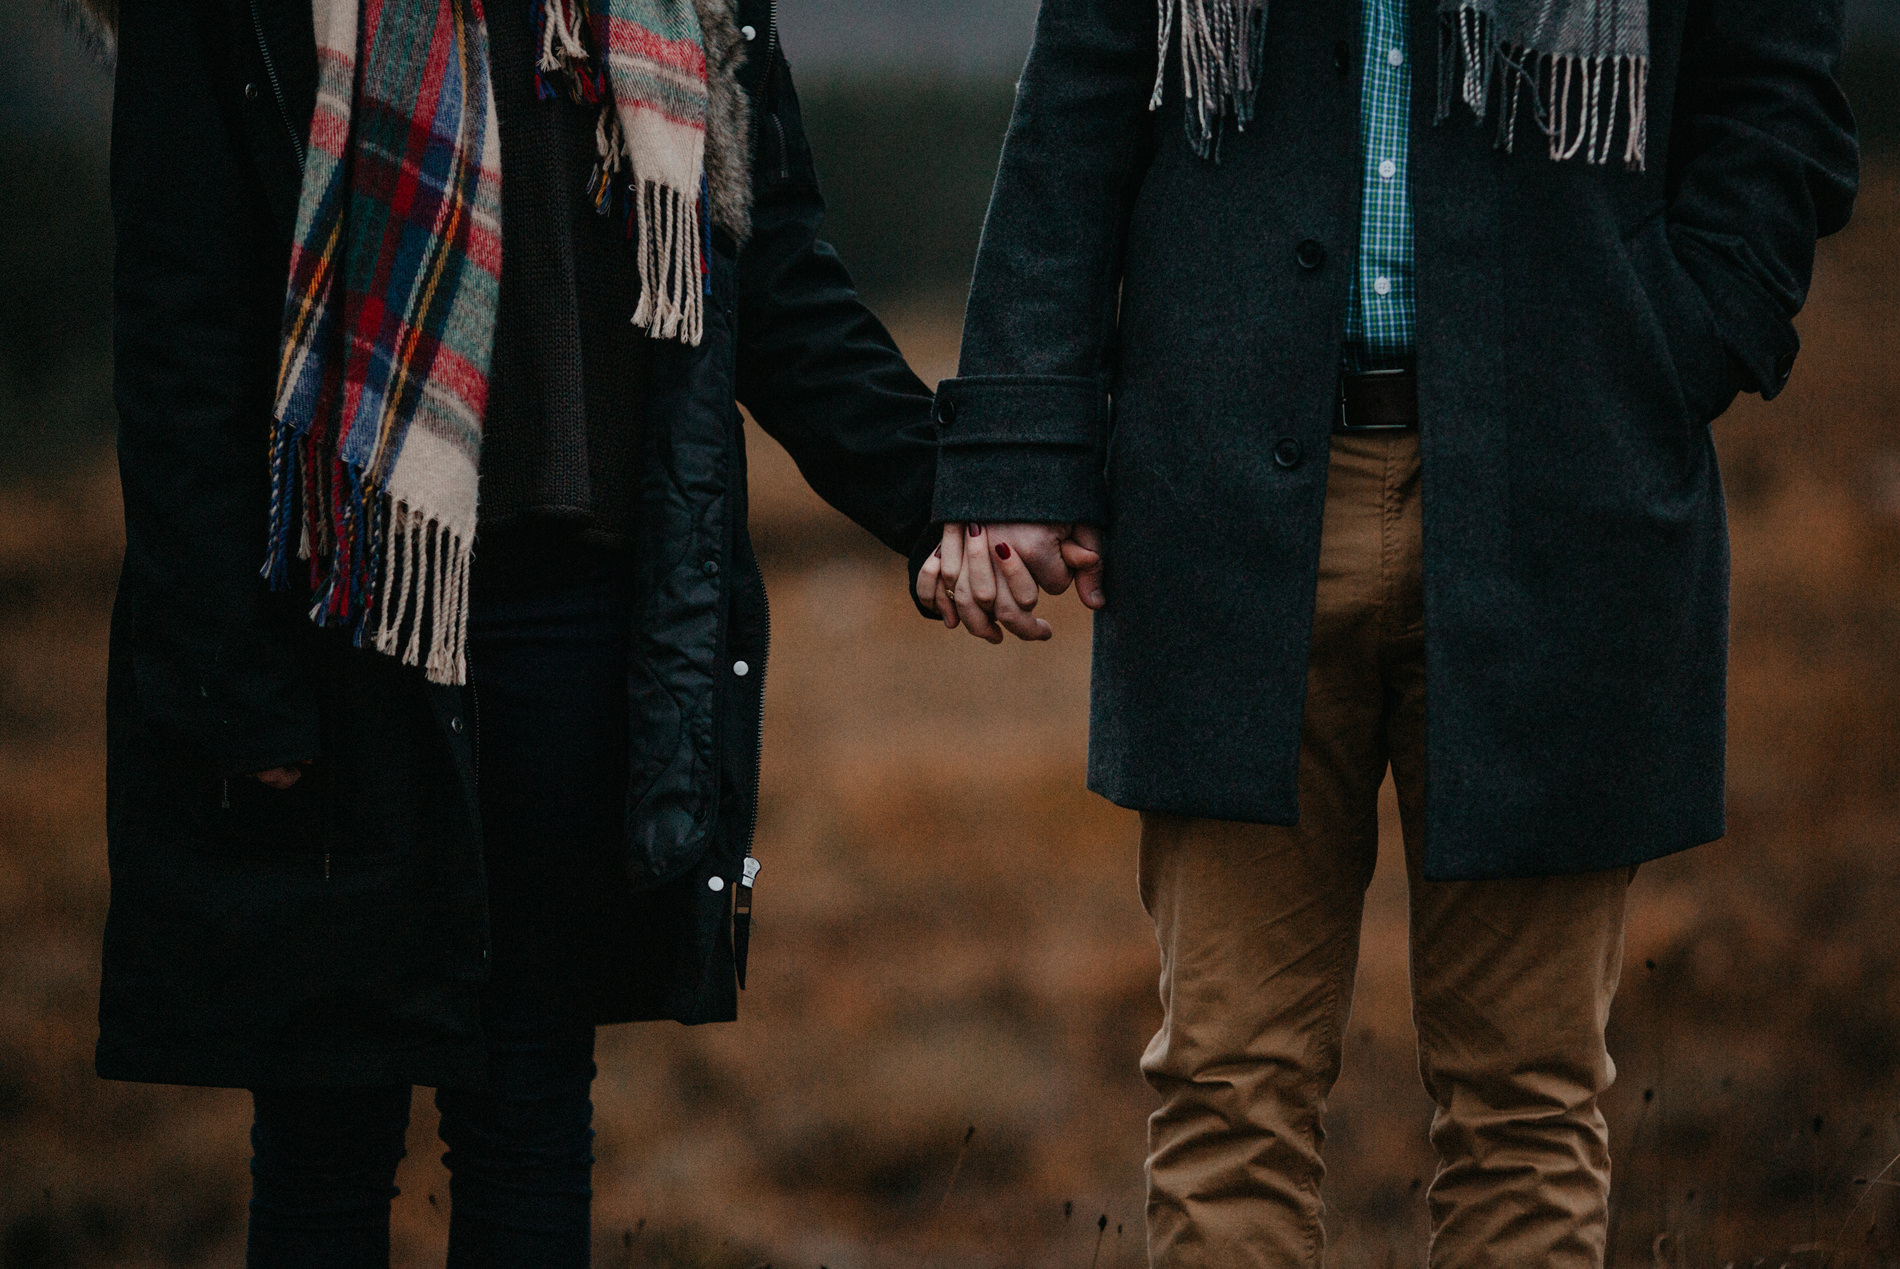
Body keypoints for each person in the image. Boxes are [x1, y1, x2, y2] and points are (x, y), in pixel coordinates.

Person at [917, 0, 1857, 1262]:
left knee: (1525, 1100)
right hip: (1221, 508)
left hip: (1563, 502)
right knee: (1224, 1088)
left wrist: (1672, 348)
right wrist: (1018, 459)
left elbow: (1777, 94)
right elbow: (1077, 108)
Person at [84, 0, 937, 1262]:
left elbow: (773, 275)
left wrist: (951, 501)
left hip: (573, 619)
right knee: (325, 1131)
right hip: (337, 615)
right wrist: (230, 684)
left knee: (531, 1110)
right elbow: (179, 325)